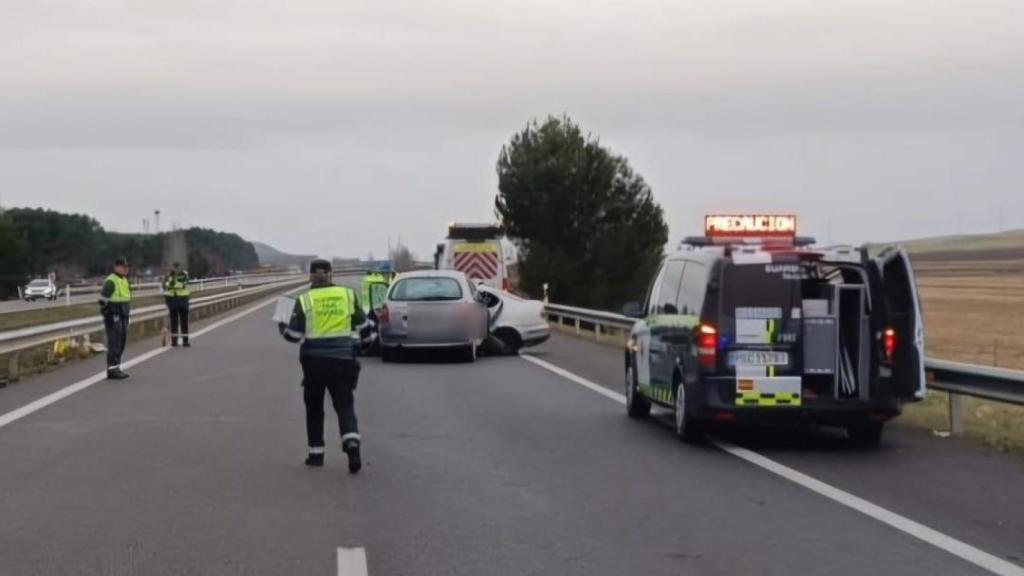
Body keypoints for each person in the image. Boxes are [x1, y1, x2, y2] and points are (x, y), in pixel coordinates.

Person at [279, 259, 366, 472]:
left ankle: (316, 455)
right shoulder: (347, 295)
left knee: (315, 407)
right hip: (343, 360)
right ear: (331, 275)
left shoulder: (305, 300)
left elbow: (293, 336)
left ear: (310, 276)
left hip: (314, 362)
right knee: (345, 405)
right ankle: (351, 443)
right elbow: (363, 326)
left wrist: (282, 325)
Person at [98, 257, 132, 380]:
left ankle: (116, 367)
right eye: (124, 267)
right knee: (115, 343)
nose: (126, 269)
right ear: (117, 267)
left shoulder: (123, 280)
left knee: (121, 342)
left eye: (127, 267)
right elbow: (102, 300)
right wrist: (108, 312)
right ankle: (112, 370)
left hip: (123, 315)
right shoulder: (111, 281)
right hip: (114, 316)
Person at [163, 261, 191, 347]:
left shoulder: (184, 274)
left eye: (178, 267)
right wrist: (172, 284)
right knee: (173, 321)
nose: (176, 269)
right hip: (172, 300)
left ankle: (185, 341)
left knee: (184, 321)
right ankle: (174, 341)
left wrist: (173, 284)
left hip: (182, 300)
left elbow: (183, 284)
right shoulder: (169, 275)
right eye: (175, 267)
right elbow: (165, 285)